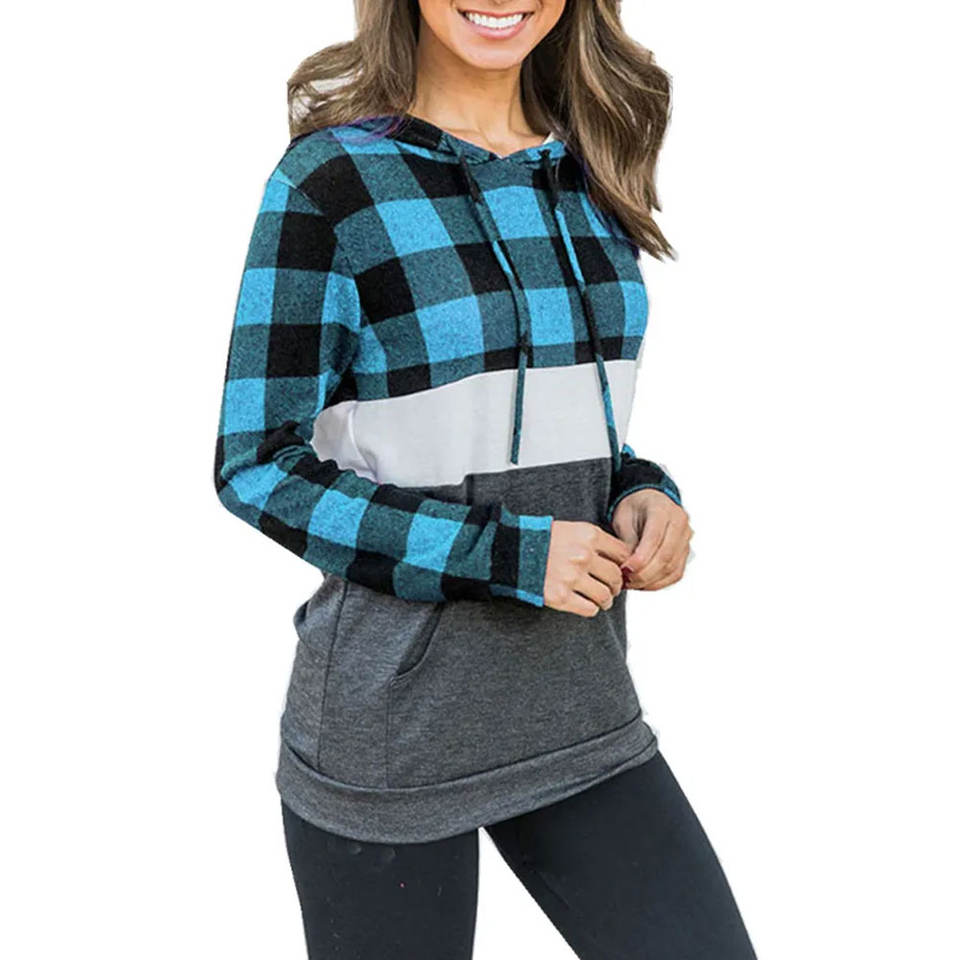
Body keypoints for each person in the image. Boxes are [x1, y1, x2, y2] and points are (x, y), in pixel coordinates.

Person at [212, 1, 757, 957]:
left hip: (580, 707)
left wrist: (642, 491)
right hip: (391, 738)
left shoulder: (585, 171)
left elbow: (557, 421)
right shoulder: (332, 181)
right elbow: (257, 465)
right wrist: (506, 556)